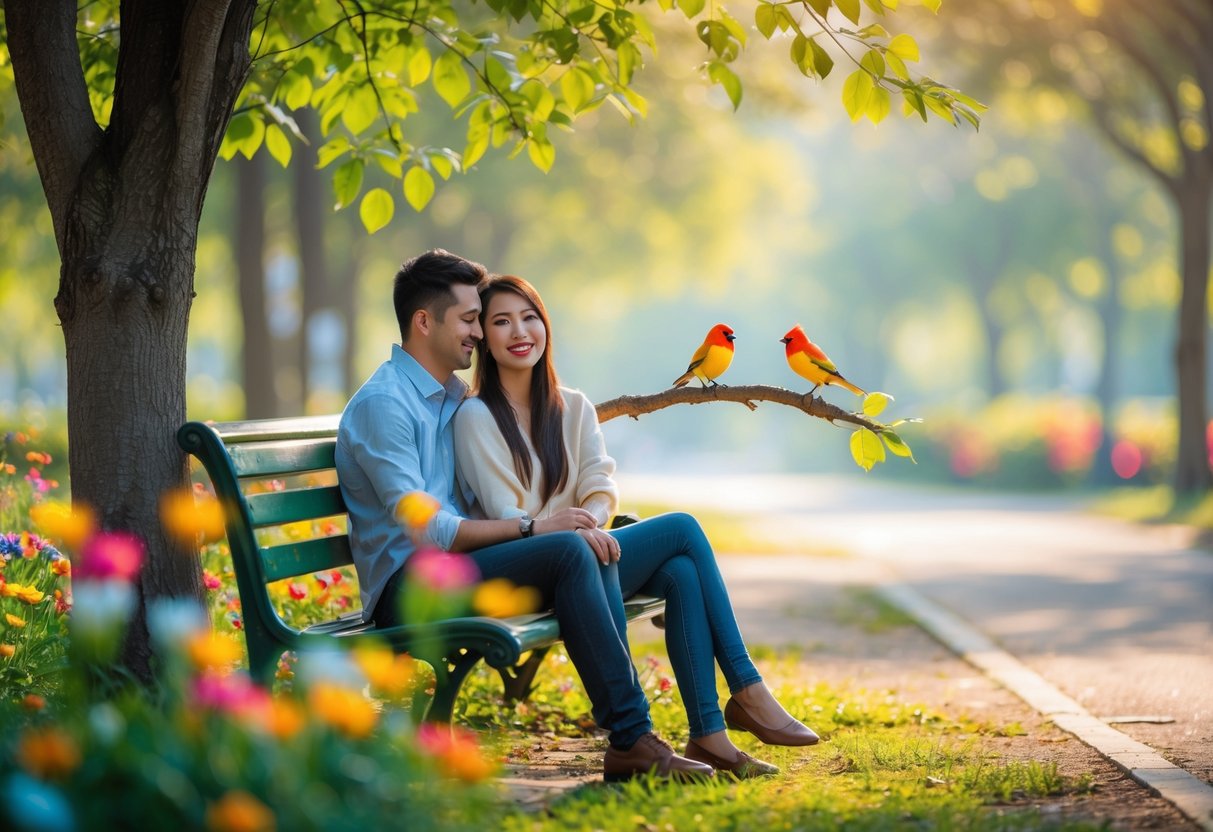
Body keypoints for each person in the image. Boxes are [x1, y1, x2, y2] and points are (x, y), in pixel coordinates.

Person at [335, 250, 713, 783]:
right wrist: (537, 528)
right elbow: (430, 528)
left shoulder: (446, 397)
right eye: (469, 319)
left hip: (459, 569)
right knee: (567, 548)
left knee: (661, 555)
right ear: (425, 321)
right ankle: (632, 737)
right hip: (411, 590)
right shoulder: (387, 405)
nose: (476, 333)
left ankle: (692, 731)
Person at [453, 274, 820, 780]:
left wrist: (593, 524)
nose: (520, 331)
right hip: (535, 569)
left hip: (585, 556)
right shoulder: (475, 417)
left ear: (545, 326)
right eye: (501, 321)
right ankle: (747, 690)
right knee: (683, 530)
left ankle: (710, 735)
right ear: (486, 341)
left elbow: (599, 485)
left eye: (529, 316)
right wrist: (572, 530)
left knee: (680, 573)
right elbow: (505, 510)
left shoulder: (573, 406)